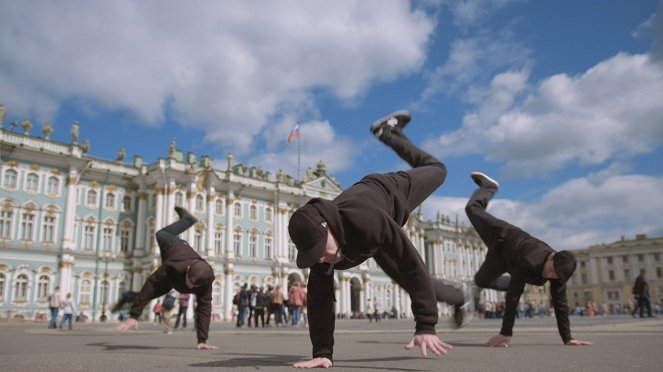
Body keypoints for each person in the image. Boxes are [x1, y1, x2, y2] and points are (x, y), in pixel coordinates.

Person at [288, 110, 472, 368]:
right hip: (370, 238)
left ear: (328, 227)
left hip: (391, 191)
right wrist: (322, 353)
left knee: (438, 170)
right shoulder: (321, 252)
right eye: (314, 253)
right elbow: (319, 301)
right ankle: (457, 296)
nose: (320, 258)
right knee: (408, 282)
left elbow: (412, 263)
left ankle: (389, 132)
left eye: (320, 248)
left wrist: (426, 325)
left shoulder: (367, 220)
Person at [465, 171, 593, 347]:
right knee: (472, 209)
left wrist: (568, 338)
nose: (552, 276)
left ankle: (515, 280)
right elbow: (513, 297)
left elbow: (560, 303)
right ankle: (489, 187)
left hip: (507, 261)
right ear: (551, 257)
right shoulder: (530, 260)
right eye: (552, 271)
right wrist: (506, 333)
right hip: (500, 236)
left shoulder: (560, 271)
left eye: (556, 276)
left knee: (482, 280)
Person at [115, 207, 217, 350]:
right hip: (171, 246)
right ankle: (188, 220)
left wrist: (202, 340)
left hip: (173, 280)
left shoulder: (206, 280)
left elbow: (204, 308)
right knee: (161, 233)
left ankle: (128, 296)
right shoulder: (174, 264)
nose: (191, 287)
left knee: (147, 295)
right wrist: (134, 315)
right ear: (187, 269)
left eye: (195, 286)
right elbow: (151, 283)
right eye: (190, 282)